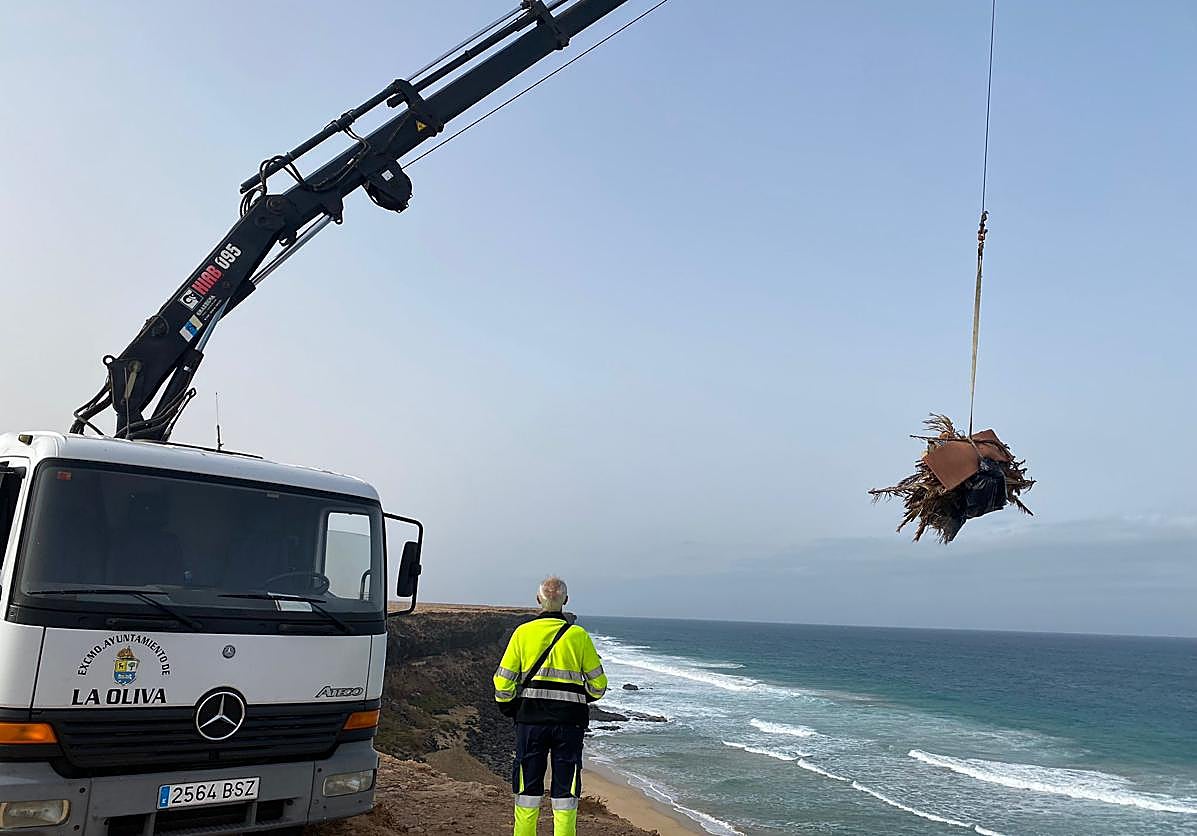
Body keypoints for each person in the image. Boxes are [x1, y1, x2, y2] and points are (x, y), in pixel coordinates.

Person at [494, 577, 608, 836]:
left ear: (538, 601)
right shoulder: (578, 636)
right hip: (569, 724)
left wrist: (510, 707)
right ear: (565, 601)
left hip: (531, 723)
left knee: (527, 787)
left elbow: (503, 682)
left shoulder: (523, 633)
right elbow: (598, 685)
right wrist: (578, 697)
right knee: (566, 788)